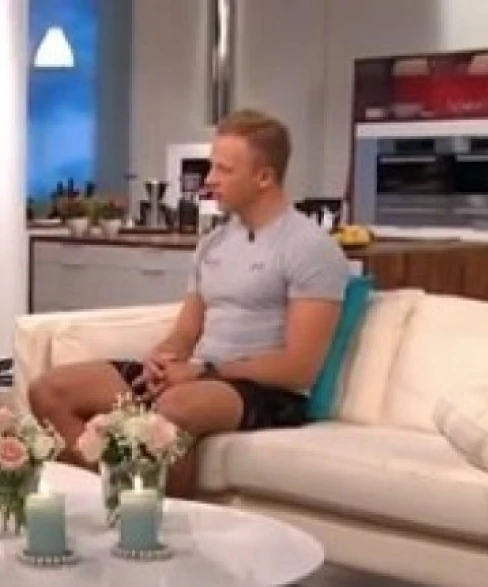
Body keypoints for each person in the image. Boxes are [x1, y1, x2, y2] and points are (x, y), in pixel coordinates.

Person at [29, 108, 351, 496]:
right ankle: (116, 497)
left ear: (264, 177)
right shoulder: (213, 243)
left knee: (175, 409)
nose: (210, 179)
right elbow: (185, 333)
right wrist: (162, 358)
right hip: (202, 376)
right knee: (50, 391)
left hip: (266, 391)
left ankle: (165, 524)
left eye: (224, 170)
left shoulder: (309, 247)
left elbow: (299, 368)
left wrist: (202, 372)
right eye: (212, 166)